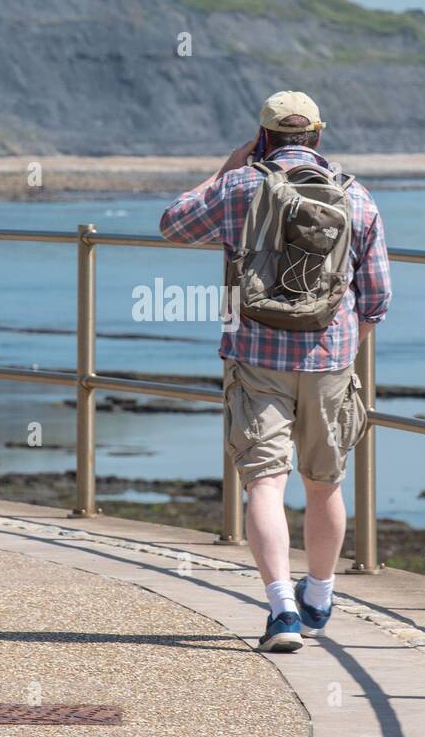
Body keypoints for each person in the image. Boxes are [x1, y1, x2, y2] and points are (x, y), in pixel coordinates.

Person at [159, 90, 391, 652]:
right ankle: (320, 594)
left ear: (263, 136)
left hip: (256, 357)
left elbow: (172, 224)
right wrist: (341, 349)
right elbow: (377, 296)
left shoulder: (239, 188)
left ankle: (282, 611)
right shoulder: (355, 196)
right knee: (324, 484)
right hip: (330, 360)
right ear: (317, 135)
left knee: (265, 483)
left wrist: (229, 165)